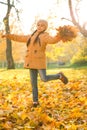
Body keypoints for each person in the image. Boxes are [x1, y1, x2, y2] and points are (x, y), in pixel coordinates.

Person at [2, 19, 68, 107]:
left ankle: (59, 76)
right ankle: (35, 101)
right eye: (38, 25)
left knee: (44, 78)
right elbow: (19, 37)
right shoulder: (31, 36)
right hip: (31, 62)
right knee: (33, 83)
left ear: (45, 27)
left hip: (39, 61)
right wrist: (8, 36)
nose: (39, 27)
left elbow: (53, 40)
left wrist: (60, 35)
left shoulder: (44, 36)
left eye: (42, 25)